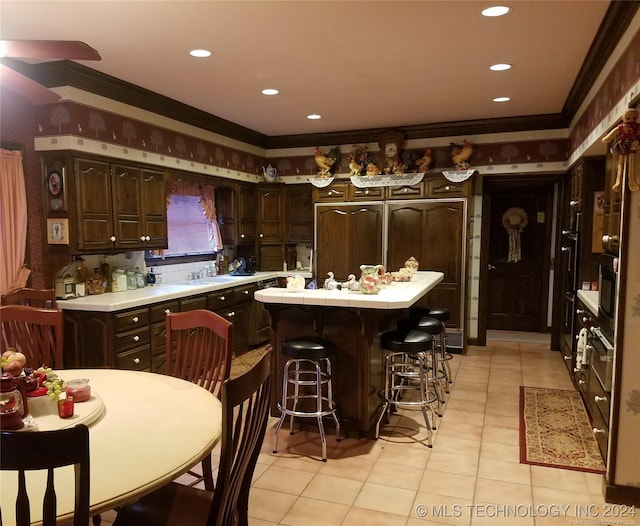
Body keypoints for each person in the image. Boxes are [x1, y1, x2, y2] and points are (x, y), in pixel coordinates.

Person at [602, 107, 640, 192]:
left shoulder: (637, 127)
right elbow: (612, 134)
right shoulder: (621, 127)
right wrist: (607, 138)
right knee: (620, 164)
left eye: (634, 118)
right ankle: (618, 181)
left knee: (632, 163)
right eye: (628, 118)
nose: (631, 120)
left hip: (633, 145)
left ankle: (632, 181)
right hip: (623, 145)